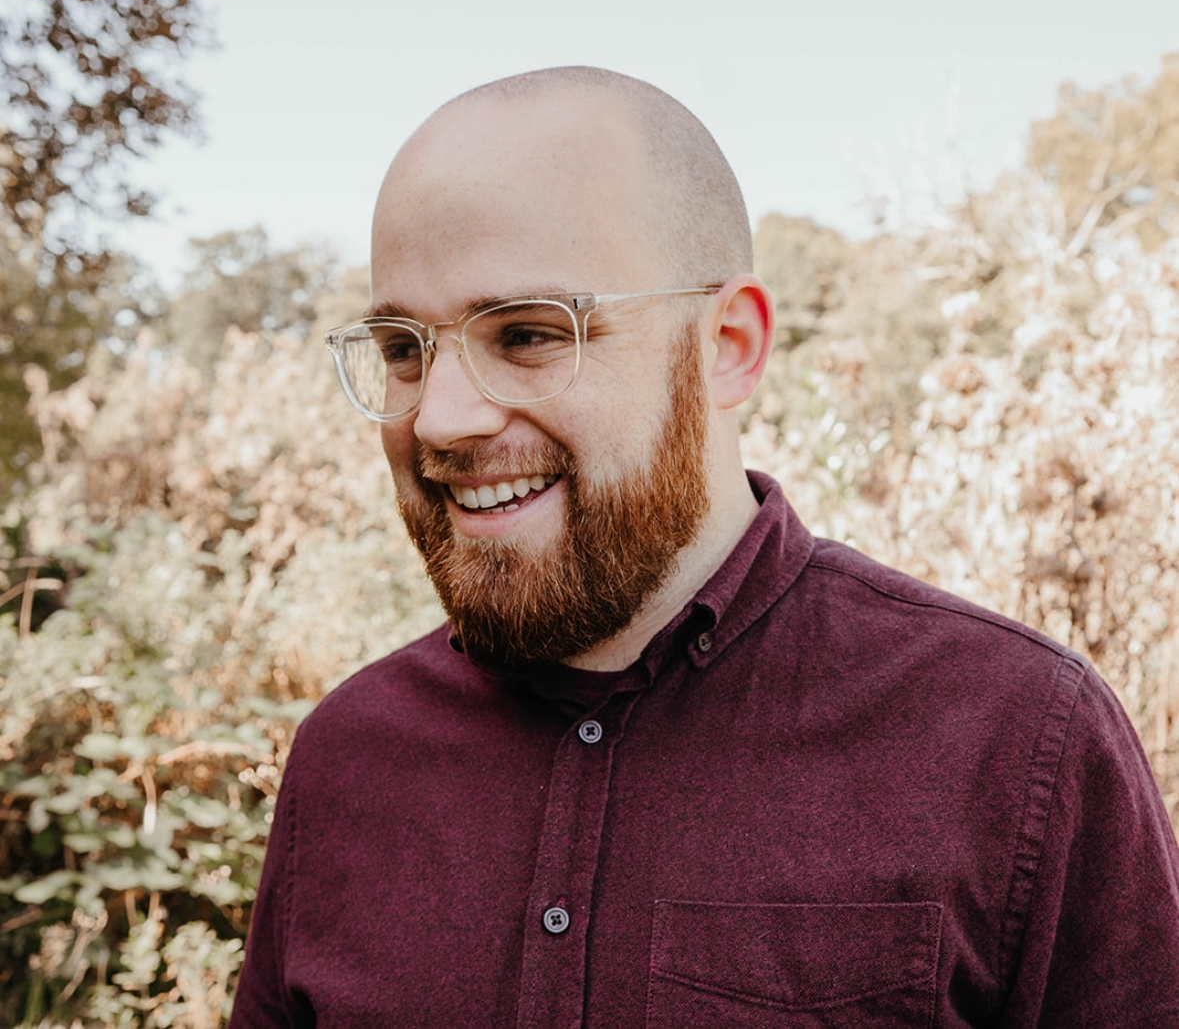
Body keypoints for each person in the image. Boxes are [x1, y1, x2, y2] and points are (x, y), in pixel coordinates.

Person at [229, 66, 1179, 1027]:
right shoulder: (344, 762)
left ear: (727, 344)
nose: (439, 419)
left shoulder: (1016, 743)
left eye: (525, 336)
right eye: (402, 348)